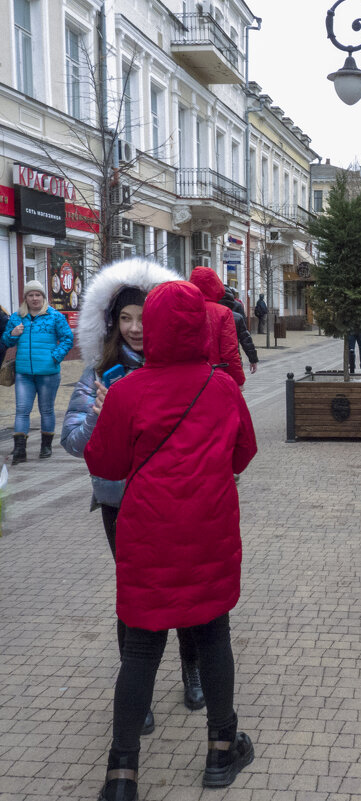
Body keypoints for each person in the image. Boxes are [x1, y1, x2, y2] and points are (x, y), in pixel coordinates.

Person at [85, 280, 258, 801]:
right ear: (203, 328)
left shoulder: (127, 391)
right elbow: (243, 453)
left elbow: (107, 465)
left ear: (154, 329)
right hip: (208, 530)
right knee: (212, 636)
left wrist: (102, 421)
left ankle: (121, 776)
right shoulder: (222, 386)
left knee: (140, 649)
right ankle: (221, 752)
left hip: (148, 535)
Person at [61, 258, 205, 735]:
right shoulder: (101, 374)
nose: (136, 328)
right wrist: (102, 415)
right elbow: (73, 442)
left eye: (144, 316)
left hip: (176, 502)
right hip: (120, 502)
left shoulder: (185, 371)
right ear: (111, 322)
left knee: (184, 586)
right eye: (125, 318)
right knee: (133, 595)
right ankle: (136, 693)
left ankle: (193, 667)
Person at [2, 280, 74, 464]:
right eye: (31, 295)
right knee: (22, 410)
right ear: (25, 298)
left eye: (38, 295)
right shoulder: (17, 317)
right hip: (23, 372)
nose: (34, 298)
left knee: (46, 410)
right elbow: (6, 341)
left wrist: (55, 357)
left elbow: (67, 338)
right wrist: (13, 334)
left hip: (48, 373)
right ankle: (19, 450)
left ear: (43, 297)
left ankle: (46, 446)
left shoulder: (54, 316)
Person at [189, 267, 246, 386]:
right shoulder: (223, 312)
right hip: (216, 377)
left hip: (187, 379)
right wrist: (238, 380)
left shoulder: (184, 309)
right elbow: (229, 352)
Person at [220, 287, 259, 374]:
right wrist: (253, 359)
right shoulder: (237, 316)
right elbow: (246, 338)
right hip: (234, 355)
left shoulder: (209, 313)